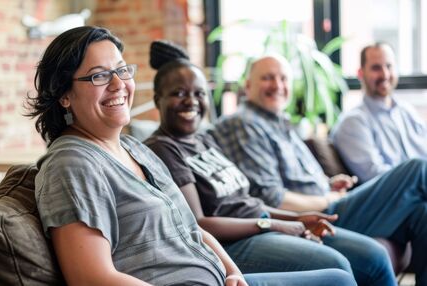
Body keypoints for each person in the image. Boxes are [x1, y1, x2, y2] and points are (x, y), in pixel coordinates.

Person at [24, 26, 356, 286]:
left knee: (339, 277)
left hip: (219, 278)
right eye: (99, 75)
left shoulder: (134, 149)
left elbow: (193, 229)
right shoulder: (71, 164)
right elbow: (91, 278)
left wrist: (232, 272)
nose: (118, 84)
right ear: (64, 94)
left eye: (123, 71)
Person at [143, 40, 392, 286]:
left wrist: (297, 218)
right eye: (178, 93)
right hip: (232, 244)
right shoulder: (163, 148)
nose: (191, 101)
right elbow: (199, 223)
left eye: (199, 93)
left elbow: (248, 202)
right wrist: (275, 224)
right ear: (158, 100)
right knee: (338, 267)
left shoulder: (204, 140)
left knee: (374, 256)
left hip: (261, 227)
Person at [211, 54, 427, 286]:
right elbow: (273, 197)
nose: (278, 85)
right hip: (318, 216)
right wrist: (327, 197)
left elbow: (294, 179)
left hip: (328, 203)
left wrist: (329, 183)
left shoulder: (278, 122)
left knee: (422, 213)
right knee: (416, 170)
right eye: (268, 78)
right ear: (248, 85)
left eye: (284, 79)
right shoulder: (247, 124)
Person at [330, 42, 427, 183]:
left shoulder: (407, 111)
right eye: (376, 68)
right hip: (403, 199)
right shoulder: (353, 123)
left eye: (389, 66)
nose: (385, 74)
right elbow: (378, 179)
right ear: (360, 73)